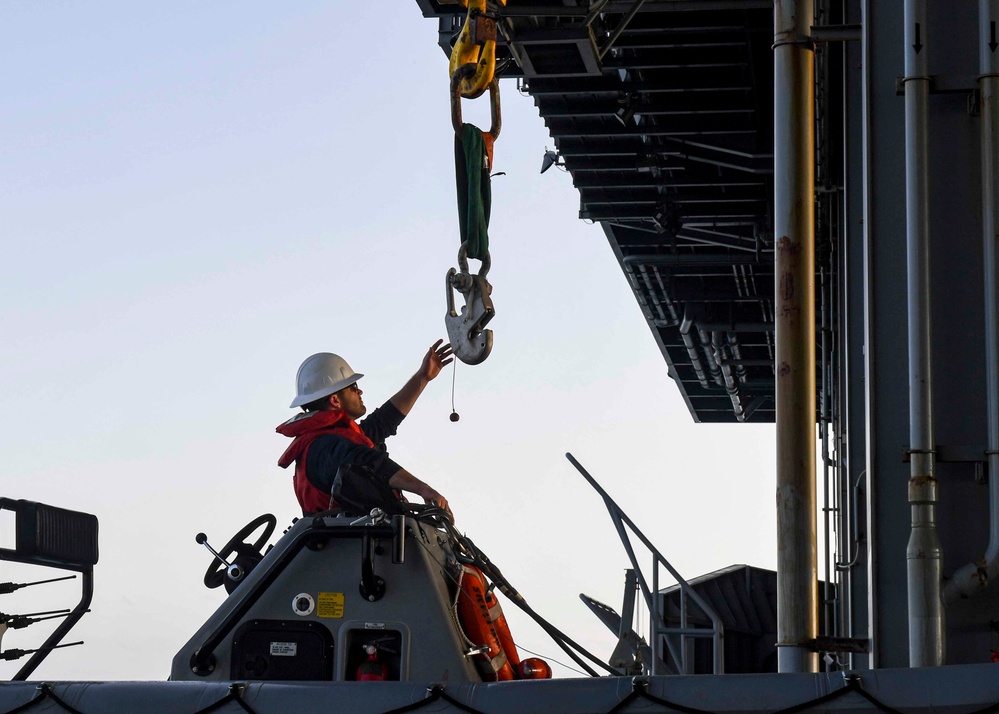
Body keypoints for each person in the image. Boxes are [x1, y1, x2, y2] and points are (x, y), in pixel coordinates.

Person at [277, 341, 453, 518]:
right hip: (345, 543)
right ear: (335, 400)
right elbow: (371, 462)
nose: (359, 391)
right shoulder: (325, 447)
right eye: (353, 387)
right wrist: (423, 489)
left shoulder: (334, 440)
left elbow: (383, 421)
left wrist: (423, 377)